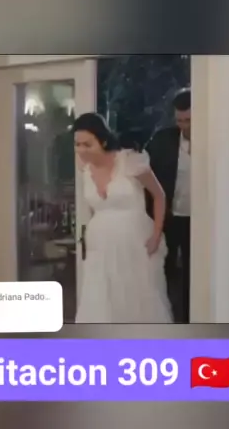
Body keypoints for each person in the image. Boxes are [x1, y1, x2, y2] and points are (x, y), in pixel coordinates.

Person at [73, 113, 173, 323]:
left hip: (134, 243)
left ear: (103, 141)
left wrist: (156, 235)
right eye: (78, 144)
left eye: (88, 144)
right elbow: (93, 208)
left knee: (138, 298)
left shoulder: (130, 161)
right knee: (100, 299)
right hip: (100, 247)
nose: (82, 150)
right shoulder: (84, 168)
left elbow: (159, 196)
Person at [146, 87, 191, 322]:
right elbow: (146, 175)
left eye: (189, 120)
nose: (184, 126)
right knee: (166, 269)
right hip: (170, 217)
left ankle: (191, 318)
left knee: (194, 273)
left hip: (199, 219)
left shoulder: (215, 142)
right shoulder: (163, 141)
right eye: (180, 121)